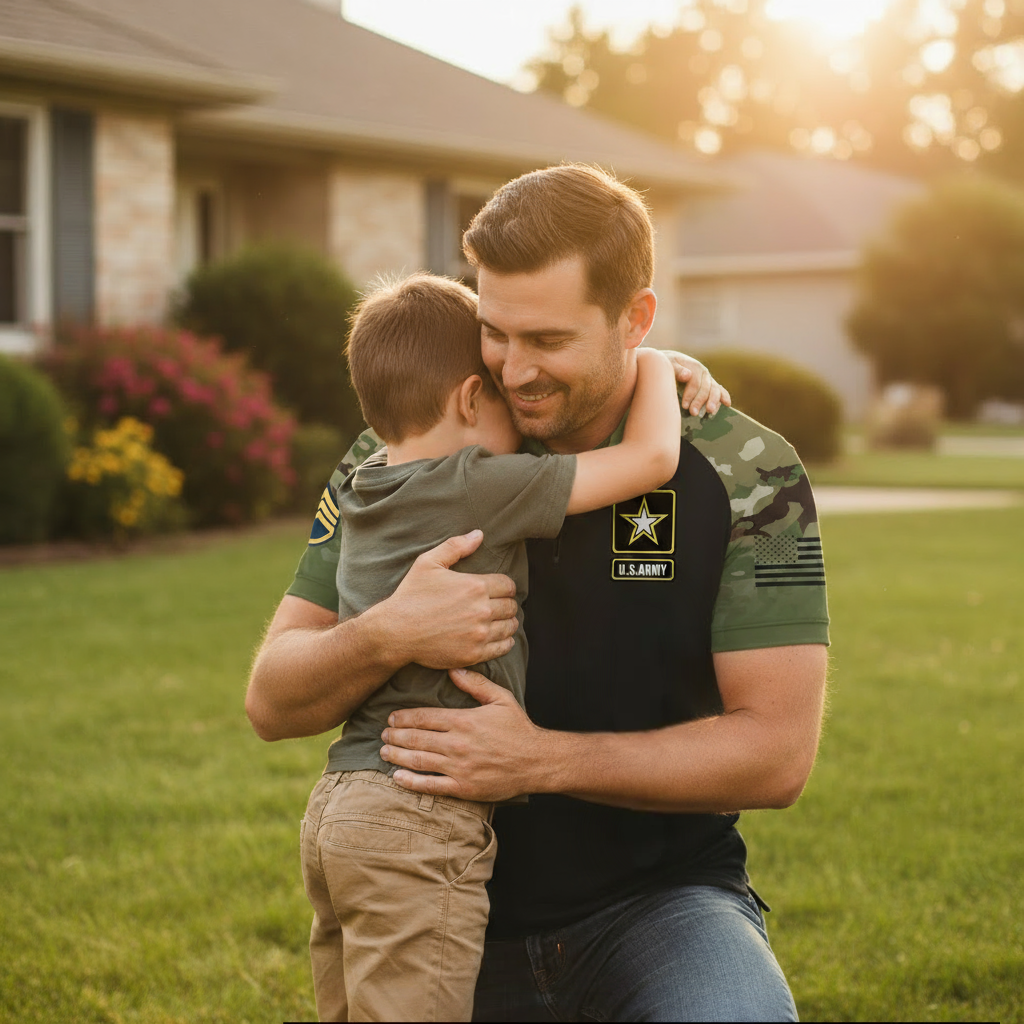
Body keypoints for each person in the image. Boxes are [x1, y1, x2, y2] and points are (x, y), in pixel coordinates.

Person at [247, 164, 829, 1023]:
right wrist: (387, 633)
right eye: (494, 332)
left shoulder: (750, 471)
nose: (513, 373)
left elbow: (777, 755)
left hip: (658, 903)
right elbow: (271, 698)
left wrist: (537, 760)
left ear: (634, 320)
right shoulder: (408, 448)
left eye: (548, 341)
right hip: (441, 897)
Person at [304, 271, 681, 1022]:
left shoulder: (367, 483)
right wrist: (658, 366)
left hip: (340, 808)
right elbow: (650, 462)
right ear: (472, 402)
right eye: (505, 397)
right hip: (422, 816)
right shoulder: (474, 482)